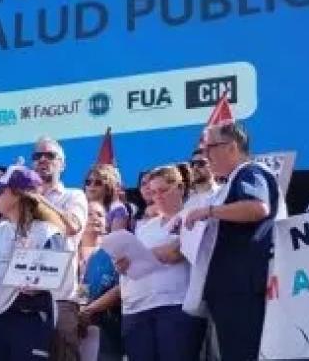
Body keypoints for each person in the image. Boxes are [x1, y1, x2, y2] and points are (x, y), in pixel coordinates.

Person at [184, 122, 280, 361]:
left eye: (210, 148)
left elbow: (257, 207)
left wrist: (209, 211)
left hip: (242, 288)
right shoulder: (229, 183)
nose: (206, 156)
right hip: (229, 289)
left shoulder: (250, 172)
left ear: (232, 147)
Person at [0, 164, 67, 361]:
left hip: (29, 317)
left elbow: (55, 278)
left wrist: (35, 282)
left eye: (0, 191)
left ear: (18, 194)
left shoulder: (48, 232)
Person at [115, 166, 205, 360]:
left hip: (175, 306)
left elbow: (175, 252)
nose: (158, 197)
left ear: (180, 187)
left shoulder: (193, 217)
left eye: (163, 190)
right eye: (154, 192)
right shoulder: (145, 228)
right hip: (137, 309)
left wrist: (139, 256)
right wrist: (122, 264)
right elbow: (131, 264)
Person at [31, 136, 88, 361]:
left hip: (61, 298)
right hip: (26, 297)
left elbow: (72, 226)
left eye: (50, 155)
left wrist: (38, 200)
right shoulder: (23, 202)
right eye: (37, 156)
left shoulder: (74, 195)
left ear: (62, 164)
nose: (43, 160)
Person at [77, 201, 122, 361]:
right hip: (70, 325)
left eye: (100, 215)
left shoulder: (114, 252)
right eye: (89, 214)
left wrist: (87, 310)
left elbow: (121, 287)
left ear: (107, 223)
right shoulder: (70, 250)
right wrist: (80, 309)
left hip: (106, 327)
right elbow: (82, 288)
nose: (94, 218)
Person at [83, 164, 129, 232]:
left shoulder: (118, 211)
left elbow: (117, 237)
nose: (92, 185)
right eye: (88, 182)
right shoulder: (80, 208)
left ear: (108, 188)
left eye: (98, 182)